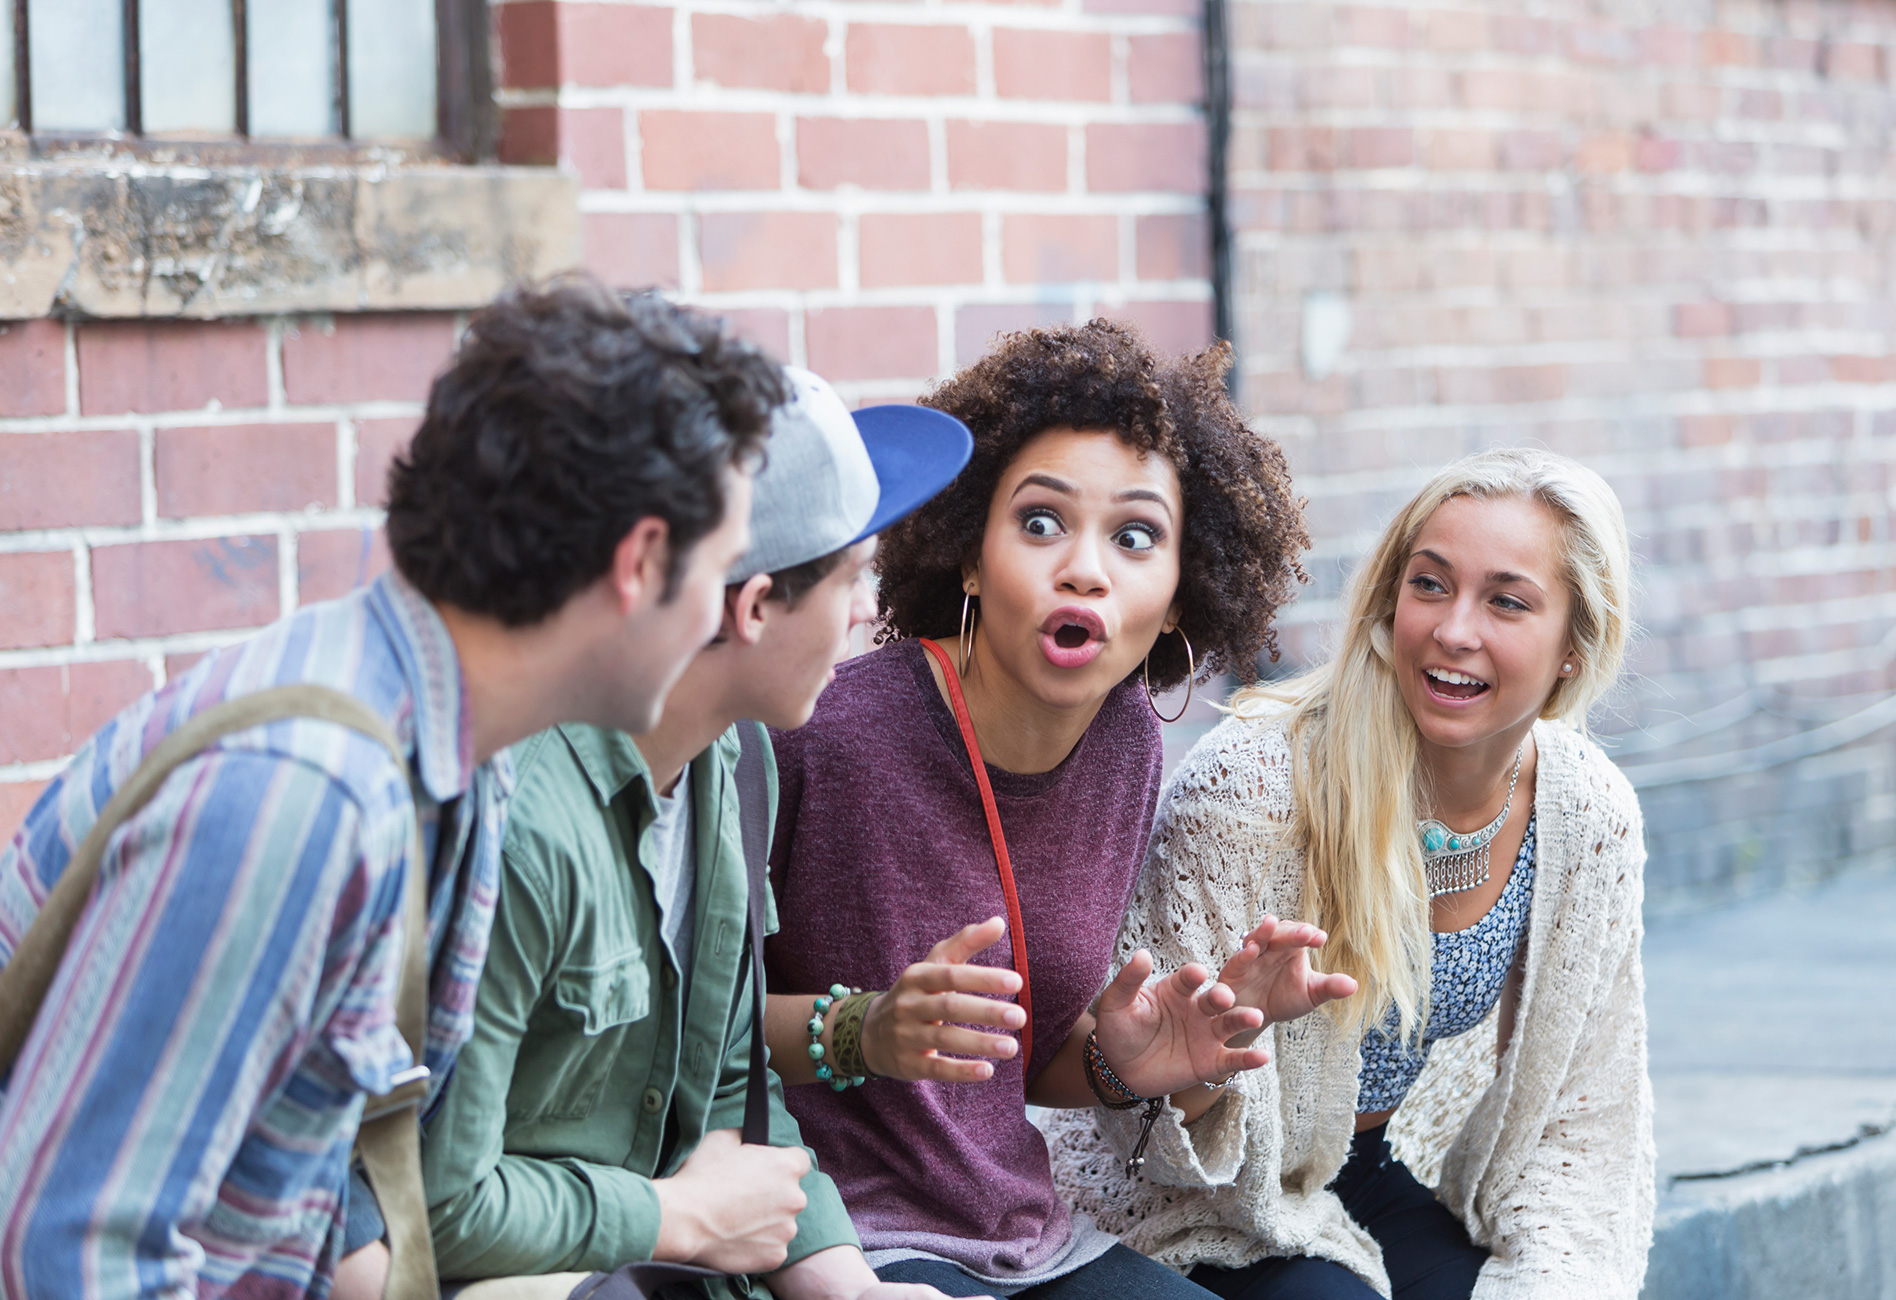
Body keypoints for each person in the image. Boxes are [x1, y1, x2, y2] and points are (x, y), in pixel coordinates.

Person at [0, 277, 783, 1300]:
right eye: (721, 570)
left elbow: (328, 1156)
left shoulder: (454, 745)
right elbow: (74, 1250)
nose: (722, 620)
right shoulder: (303, 795)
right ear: (639, 562)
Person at [762, 321, 1339, 1300]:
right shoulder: (823, 737)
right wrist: (857, 1028)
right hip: (837, 1247)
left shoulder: (1122, 748)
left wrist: (1122, 1063)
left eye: (1133, 535)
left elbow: (1006, 1064)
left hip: (1028, 1241)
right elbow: (690, 1032)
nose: (1083, 566)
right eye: (1039, 522)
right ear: (970, 559)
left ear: (1173, 596)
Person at [413, 369, 974, 1300]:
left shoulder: (737, 762)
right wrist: (676, 1216)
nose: (871, 612)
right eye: (853, 578)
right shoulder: (521, 829)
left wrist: (850, 1288)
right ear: (751, 608)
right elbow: (439, 1206)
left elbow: (726, 1085)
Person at [1048, 447, 1653, 1299]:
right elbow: (1137, 1120)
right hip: (1188, 1196)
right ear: (1387, 599)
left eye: (1507, 601)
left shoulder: (1585, 813)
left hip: (1364, 1174)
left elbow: (1578, 1119)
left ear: (1574, 647)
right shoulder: (1253, 787)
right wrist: (1218, 1053)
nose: (1453, 630)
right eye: (1430, 584)